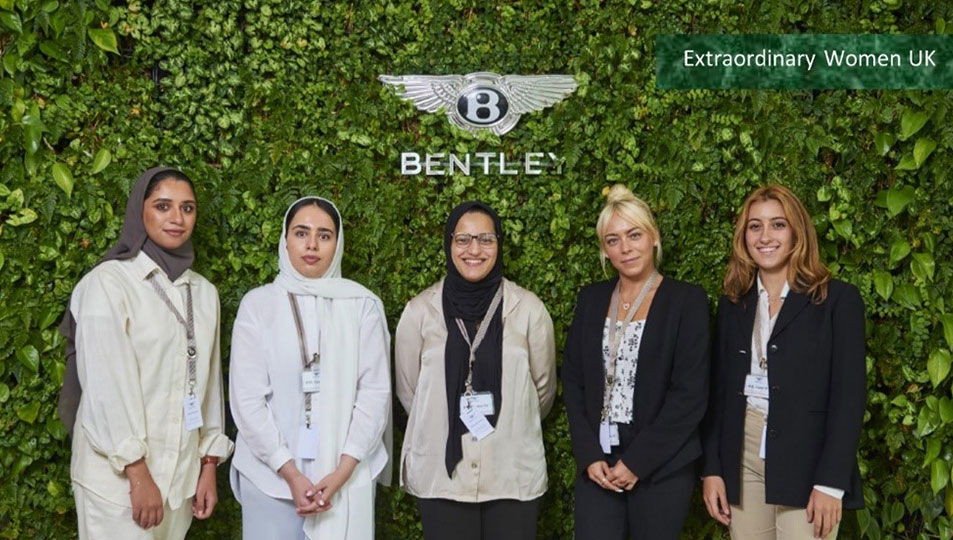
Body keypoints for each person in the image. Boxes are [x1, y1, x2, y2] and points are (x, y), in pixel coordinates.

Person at [59, 166, 234, 540]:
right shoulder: (108, 283)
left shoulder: (203, 293)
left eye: (187, 208)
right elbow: (106, 384)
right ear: (140, 211)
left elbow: (207, 386)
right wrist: (138, 475)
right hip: (116, 483)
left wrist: (207, 465)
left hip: (179, 479)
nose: (177, 218)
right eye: (163, 206)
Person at [701, 185, 866, 540]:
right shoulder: (734, 303)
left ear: (797, 233)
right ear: (743, 235)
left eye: (778, 225)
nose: (765, 236)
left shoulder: (838, 300)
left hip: (809, 459)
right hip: (742, 455)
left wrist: (831, 483)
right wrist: (711, 469)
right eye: (754, 226)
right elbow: (719, 393)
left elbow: (849, 398)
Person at [229, 196, 391, 540]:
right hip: (270, 479)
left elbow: (375, 394)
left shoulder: (361, 306)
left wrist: (343, 470)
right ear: (285, 240)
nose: (312, 244)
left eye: (325, 235)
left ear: (338, 243)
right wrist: (290, 472)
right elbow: (247, 399)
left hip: (345, 479)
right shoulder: (258, 305)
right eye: (301, 233)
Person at [395, 201, 556, 540]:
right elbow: (410, 391)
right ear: (449, 244)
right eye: (463, 239)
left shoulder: (527, 309)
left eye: (486, 239)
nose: (474, 250)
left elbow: (542, 390)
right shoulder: (420, 310)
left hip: (512, 474)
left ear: (498, 245)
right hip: (443, 477)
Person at [563, 184, 710, 539]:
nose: (625, 248)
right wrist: (588, 455)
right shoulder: (591, 299)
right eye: (613, 240)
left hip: (661, 464)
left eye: (634, 235)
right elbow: (574, 380)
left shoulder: (686, 301)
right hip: (599, 459)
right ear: (604, 250)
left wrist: (637, 462)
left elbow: (689, 395)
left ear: (654, 237)